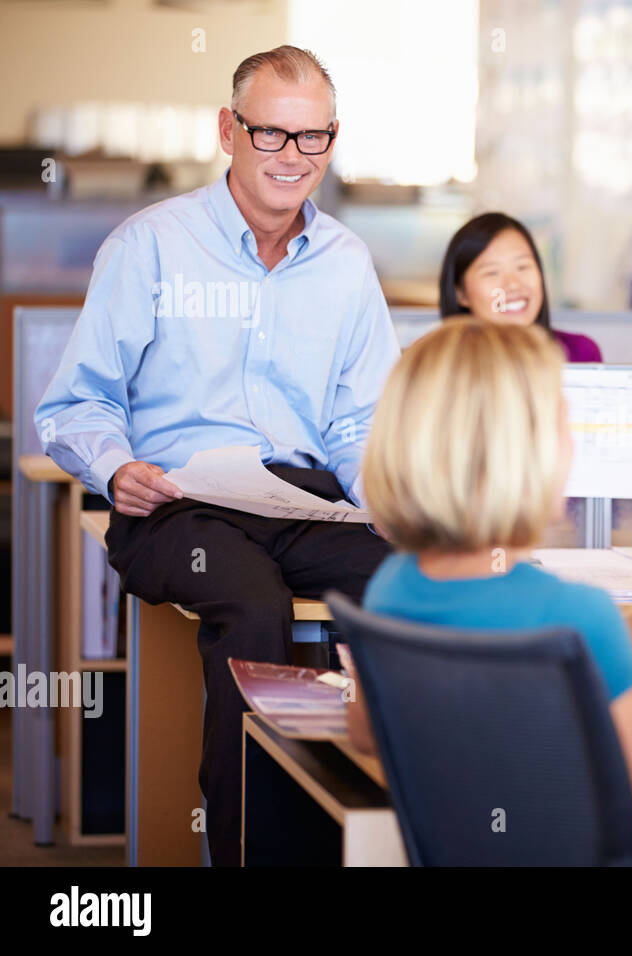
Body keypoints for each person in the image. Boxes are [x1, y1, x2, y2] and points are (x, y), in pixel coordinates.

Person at [34, 46, 400, 864]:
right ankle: (246, 848)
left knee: (403, 586)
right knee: (252, 604)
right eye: (272, 134)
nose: (293, 157)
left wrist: (383, 496)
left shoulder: (345, 264)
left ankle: (381, 829)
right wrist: (115, 467)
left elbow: (360, 420)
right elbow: (72, 403)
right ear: (228, 131)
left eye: (314, 138)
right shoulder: (151, 245)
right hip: (177, 503)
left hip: (301, 502)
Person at [361, 320, 632, 866]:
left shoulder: (390, 588)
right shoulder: (578, 619)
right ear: (519, 456)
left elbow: (367, 734)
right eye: (562, 428)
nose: (571, 447)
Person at [438, 212, 603, 362]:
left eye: (522, 267)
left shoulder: (579, 353)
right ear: (461, 294)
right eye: (492, 272)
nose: (513, 284)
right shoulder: (434, 364)